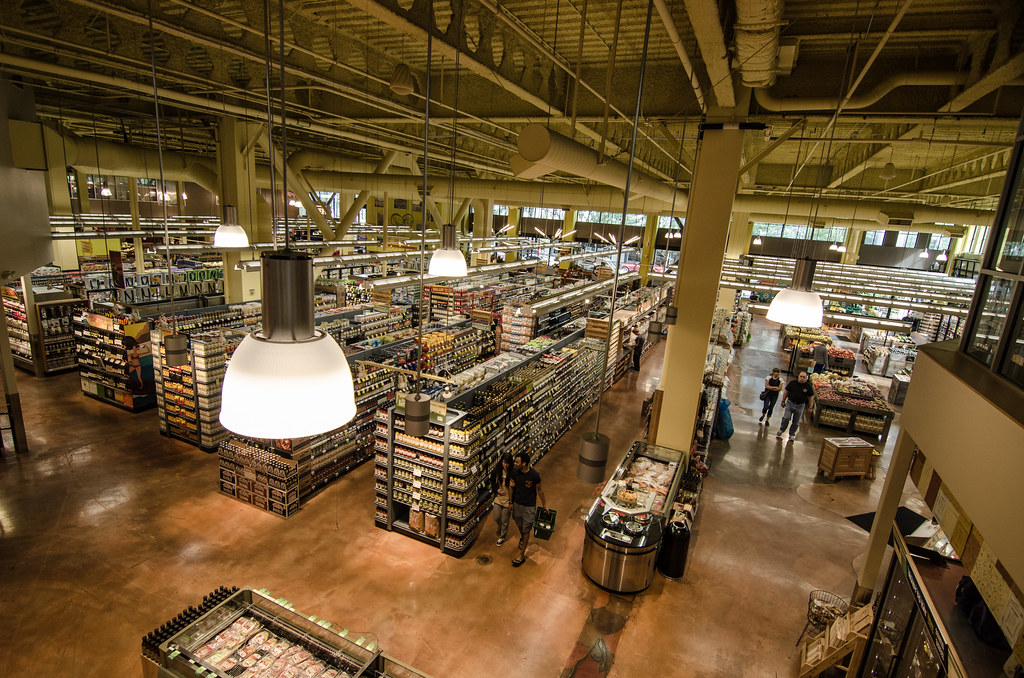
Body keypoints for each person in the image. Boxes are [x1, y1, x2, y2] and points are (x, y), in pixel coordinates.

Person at [509, 451, 546, 567]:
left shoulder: (534, 475)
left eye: (517, 462)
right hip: (517, 504)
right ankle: (523, 538)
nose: (514, 463)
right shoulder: (514, 472)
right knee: (519, 525)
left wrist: (545, 505)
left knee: (526, 530)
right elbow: (511, 487)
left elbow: (540, 490)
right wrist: (510, 502)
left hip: (529, 506)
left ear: (524, 464)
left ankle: (521, 554)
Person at [777, 370, 815, 442]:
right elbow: (786, 391)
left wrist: (810, 407)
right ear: (798, 377)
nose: (802, 378)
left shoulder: (808, 387)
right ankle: (782, 429)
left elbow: (811, 397)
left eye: (804, 377)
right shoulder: (792, 383)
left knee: (796, 421)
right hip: (790, 403)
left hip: (800, 405)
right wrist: (783, 401)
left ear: (807, 378)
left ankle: (792, 435)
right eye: (801, 376)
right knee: (786, 417)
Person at [491, 454, 512, 546]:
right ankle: (499, 526)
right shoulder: (497, 471)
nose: (505, 465)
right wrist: (496, 490)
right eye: (504, 462)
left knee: (505, 520)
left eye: (507, 463)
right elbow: (492, 482)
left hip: (508, 499)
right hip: (498, 498)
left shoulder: (513, 473)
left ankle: (502, 536)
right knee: (496, 517)